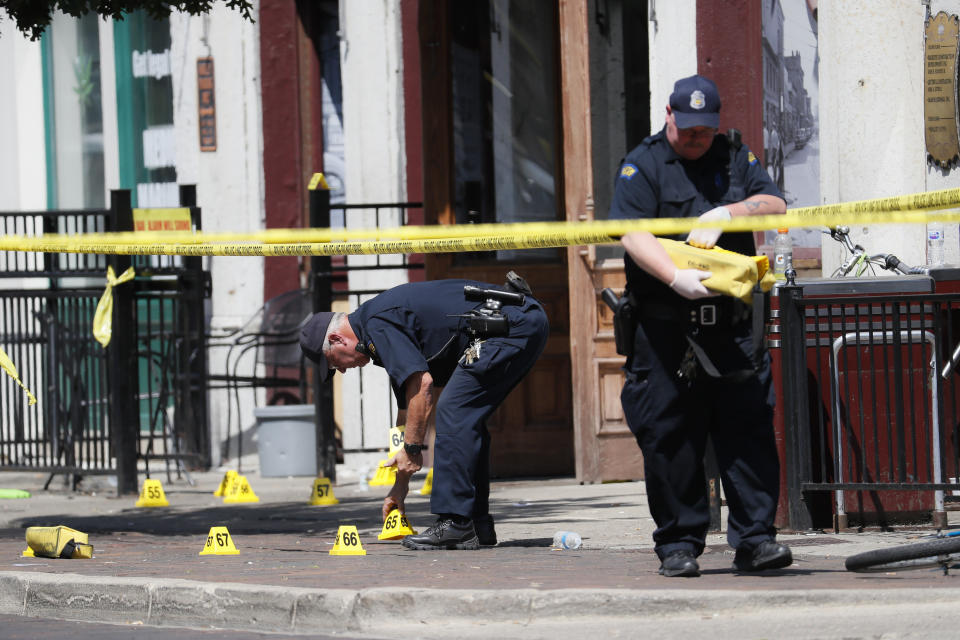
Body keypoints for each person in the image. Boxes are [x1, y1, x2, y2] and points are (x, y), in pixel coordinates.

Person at [609, 74, 792, 577]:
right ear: (668, 114)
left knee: (748, 429)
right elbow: (631, 230)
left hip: (731, 324)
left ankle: (755, 539)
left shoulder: (734, 155)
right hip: (666, 327)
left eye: (704, 131)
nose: (695, 138)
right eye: (687, 129)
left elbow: (774, 204)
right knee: (670, 436)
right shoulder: (642, 165)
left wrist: (727, 212)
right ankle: (678, 543)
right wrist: (673, 276)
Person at [300, 278, 549, 550]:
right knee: (465, 418)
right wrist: (400, 486)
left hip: (511, 325)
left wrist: (413, 449)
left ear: (337, 339)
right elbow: (408, 414)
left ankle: (456, 522)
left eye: (334, 362)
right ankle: (476, 524)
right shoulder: (377, 332)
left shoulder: (377, 325)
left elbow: (423, 387)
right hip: (517, 322)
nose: (344, 370)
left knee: (454, 412)